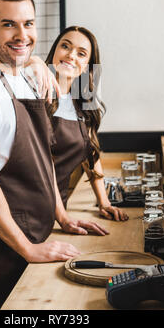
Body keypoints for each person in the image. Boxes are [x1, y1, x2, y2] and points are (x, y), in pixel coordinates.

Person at [0, 0, 109, 310]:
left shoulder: (29, 78)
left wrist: (61, 217)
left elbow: (42, 158)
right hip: (1, 249)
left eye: (29, 24)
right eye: (8, 24)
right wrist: (27, 248)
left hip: (38, 232)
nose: (22, 33)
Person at [30, 26, 128, 221]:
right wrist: (33, 60)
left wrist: (104, 202)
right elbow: (42, 164)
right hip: (26, 207)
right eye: (65, 46)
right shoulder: (34, 92)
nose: (71, 55)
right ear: (55, 51)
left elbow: (91, 152)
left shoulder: (82, 102)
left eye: (81, 53)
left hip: (55, 212)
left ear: (87, 66)